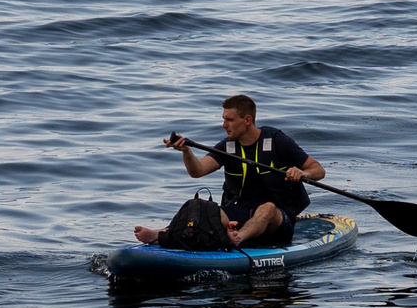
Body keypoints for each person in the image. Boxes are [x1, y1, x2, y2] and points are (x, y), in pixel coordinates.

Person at [135, 95, 324, 250]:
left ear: (247, 120)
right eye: (223, 119)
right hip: (240, 211)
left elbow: (318, 170)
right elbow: (197, 171)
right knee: (206, 210)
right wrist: (186, 151)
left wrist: (302, 173)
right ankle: (161, 234)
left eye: (229, 120)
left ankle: (237, 238)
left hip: (279, 219)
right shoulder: (227, 146)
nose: (224, 125)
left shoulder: (276, 140)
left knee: (267, 208)